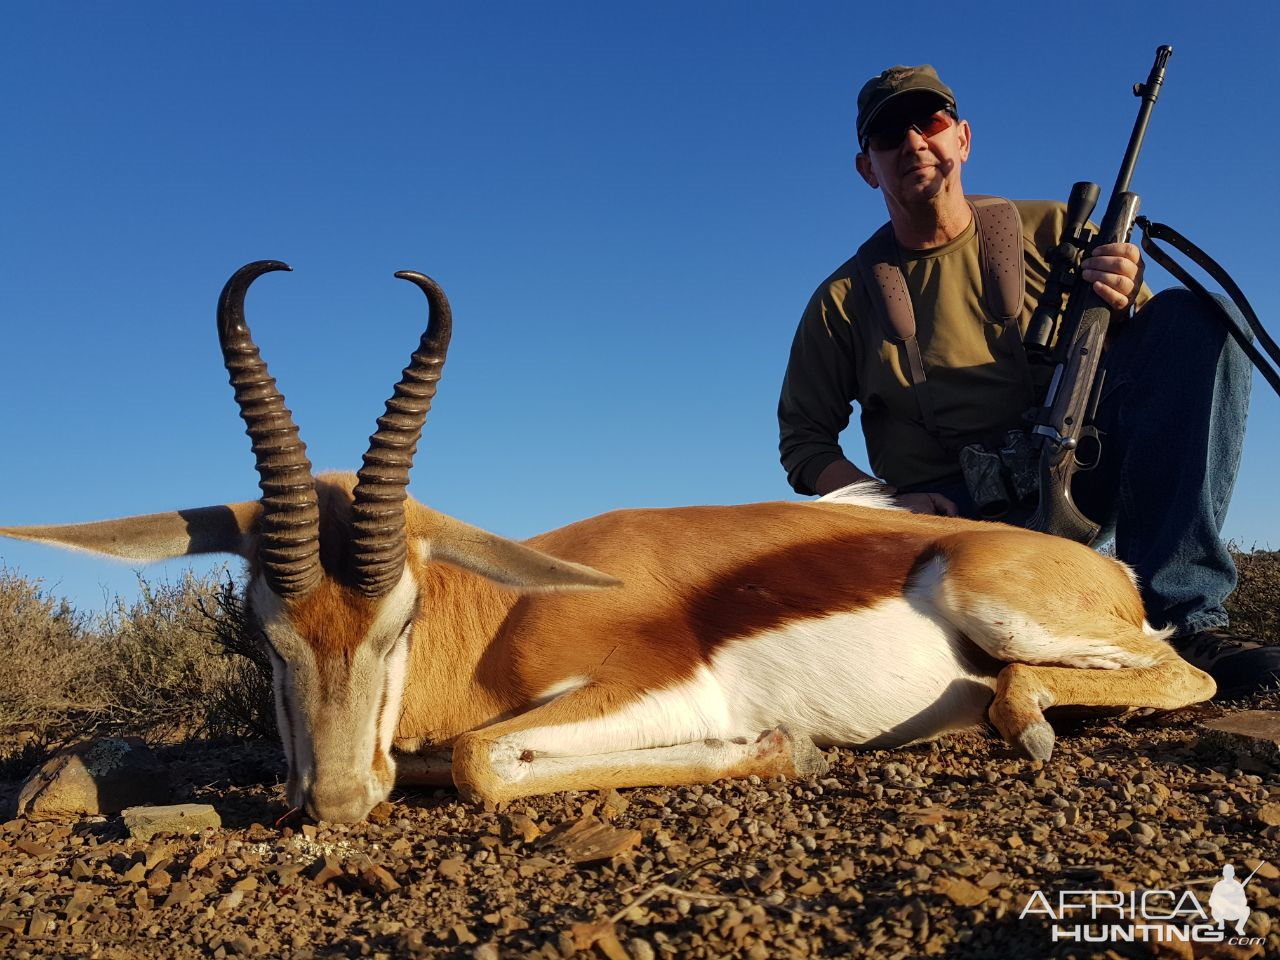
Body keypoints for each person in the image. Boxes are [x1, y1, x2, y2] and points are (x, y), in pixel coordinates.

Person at [777, 64, 1279, 699]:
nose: (913, 144)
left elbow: (1162, 361)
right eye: (887, 136)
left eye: (929, 123)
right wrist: (889, 504)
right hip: (948, 519)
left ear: (962, 138)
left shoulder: (1051, 231)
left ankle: (1185, 620)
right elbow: (804, 443)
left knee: (1201, 318)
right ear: (866, 167)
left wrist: (1127, 303)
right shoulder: (843, 299)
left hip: (1072, 469)